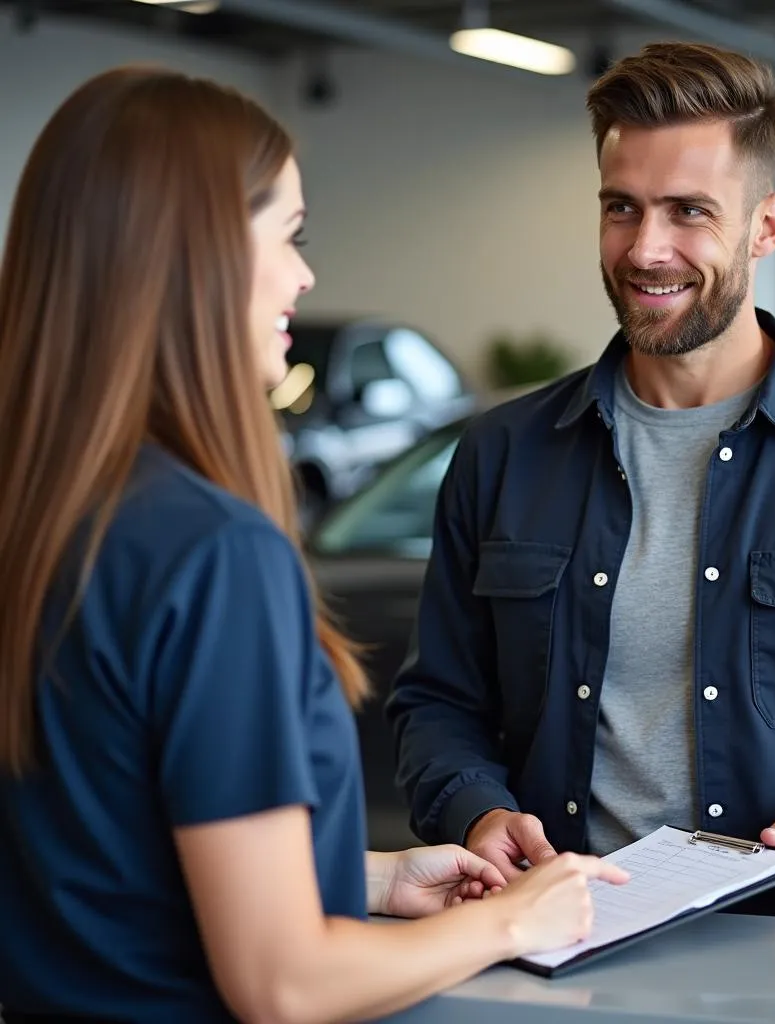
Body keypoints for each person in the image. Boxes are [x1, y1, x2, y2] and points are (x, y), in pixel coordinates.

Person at [0, 68, 629, 1024]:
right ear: (197, 253)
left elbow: (107, 848)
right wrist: (514, 922)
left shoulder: (44, 511)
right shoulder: (214, 554)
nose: (306, 276)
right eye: (289, 237)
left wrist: (366, 880)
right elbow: (285, 984)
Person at [387, 41, 775, 924]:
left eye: (690, 212)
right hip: (552, 944)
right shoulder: (501, 454)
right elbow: (438, 703)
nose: (648, 249)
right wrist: (475, 808)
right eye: (622, 208)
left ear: (767, 225)